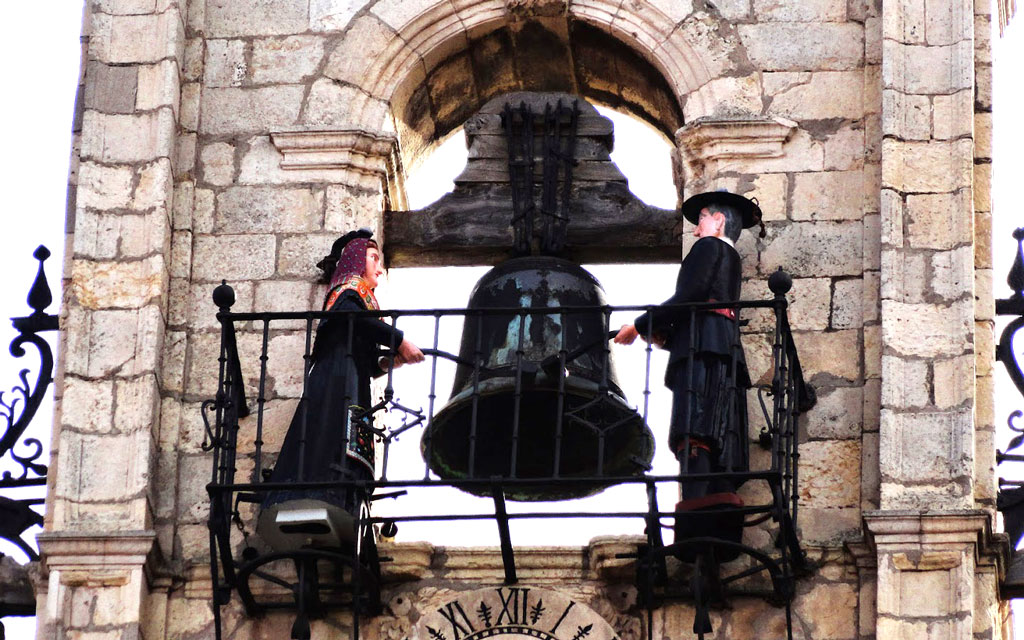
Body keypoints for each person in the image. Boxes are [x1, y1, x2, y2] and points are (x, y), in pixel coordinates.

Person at [614, 191, 763, 562]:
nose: (696, 231)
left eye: (700, 221)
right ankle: (718, 491)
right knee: (718, 422)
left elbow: (692, 295)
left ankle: (695, 500)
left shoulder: (708, 248)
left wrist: (640, 325)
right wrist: (665, 332)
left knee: (693, 424)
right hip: (720, 345)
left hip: (703, 348)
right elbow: (704, 304)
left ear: (718, 222)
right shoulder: (729, 258)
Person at [258, 228, 423, 550]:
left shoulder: (361, 298)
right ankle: (326, 490)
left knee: (343, 431)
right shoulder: (348, 292)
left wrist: (388, 363)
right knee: (331, 431)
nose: (379, 266)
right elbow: (351, 319)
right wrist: (399, 339)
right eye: (373, 257)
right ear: (354, 260)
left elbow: (362, 351)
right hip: (336, 377)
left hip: (349, 376)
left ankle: (344, 490)